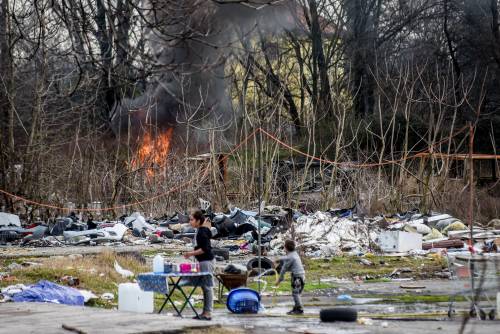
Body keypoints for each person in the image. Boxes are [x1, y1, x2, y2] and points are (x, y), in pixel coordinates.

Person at [183, 210, 214, 320]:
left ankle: (208, 312)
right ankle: (205, 312)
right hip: (201, 261)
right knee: (204, 286)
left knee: (207, 287)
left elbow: (205, 249)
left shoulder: (202, 232)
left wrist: (190, 253)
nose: (190, 222)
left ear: (198, 220)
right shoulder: (199, 230)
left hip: (206, 261)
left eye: (192, 219)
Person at [275, 239, 305, 315]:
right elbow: (288, 258)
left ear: (286, 247)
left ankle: (299, 309)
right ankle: (296, 308)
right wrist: (280, 259)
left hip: (297, 277)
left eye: (284, 246)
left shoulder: (290, 257)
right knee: (297, 293)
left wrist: (279, 280)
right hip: (301, 276)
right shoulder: (294, 253)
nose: (283, 248)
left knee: (295, 293)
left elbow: (283, 270)